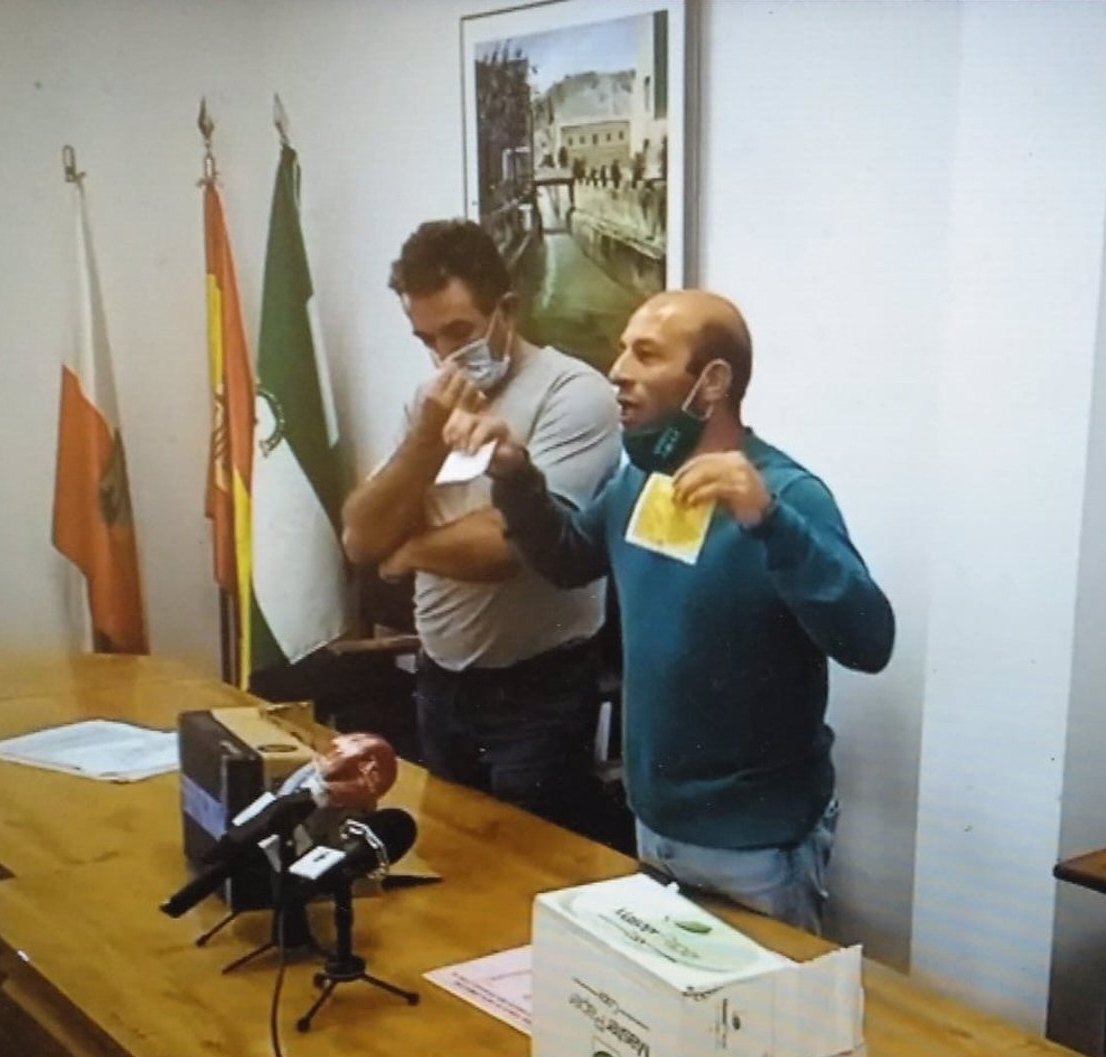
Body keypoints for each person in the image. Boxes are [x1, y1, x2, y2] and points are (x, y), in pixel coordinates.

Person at [462, 289, 895, 933]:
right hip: (654, 827)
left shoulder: (790, 494)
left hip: (753, 850)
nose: (618, 371)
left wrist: (772, 523)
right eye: (621, 350)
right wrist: (516, 476)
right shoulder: (642, 478)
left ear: (712, 382)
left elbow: (870, 641)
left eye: (646, 353)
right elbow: (569, 558)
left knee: (764, 1030)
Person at [339, 220, 620, 838]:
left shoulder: (575, 395)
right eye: (427, 339)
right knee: (451, 859)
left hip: (538, 691)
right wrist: (425, 439)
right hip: (441, 679)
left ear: (507, 311)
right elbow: (362, 537)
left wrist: (411, 547)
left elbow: (509, 544)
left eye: (460, 332)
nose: (445, 356)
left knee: (530, 865)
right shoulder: (430, 399)